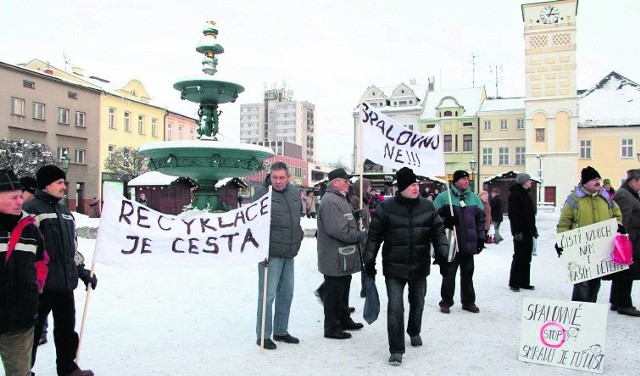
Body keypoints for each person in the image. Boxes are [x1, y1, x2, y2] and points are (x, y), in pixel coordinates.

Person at [364, 167, 449, 366]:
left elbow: (438, 232)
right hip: (394, 266)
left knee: (418, 302)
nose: (416, 187)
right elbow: (374, 237)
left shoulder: (427, 207)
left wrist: (443, 255)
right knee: (395, 308)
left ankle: (414, 331)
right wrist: (369, 261)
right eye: (412, 185)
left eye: (417, 184)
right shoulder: (386, 208)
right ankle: (396, 349)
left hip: (419, 264)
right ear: (401, 187)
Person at [24, 165, 96, 376]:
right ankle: (23, 370)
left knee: (66, 330)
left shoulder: (66, 213)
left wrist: (81, 271)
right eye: (59, 183)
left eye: (64, 182)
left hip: (64, 284)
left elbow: (72, 249)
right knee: (32, 332)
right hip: (40, 286)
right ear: (46, 184)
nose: (64, 187)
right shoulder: (32, 211)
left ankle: (68, 368)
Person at [0, 169, 48, 376]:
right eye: (13, 197)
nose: (20, 201)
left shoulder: (29, 228)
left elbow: (42, 261)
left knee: (20, 372)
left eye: (20, 196)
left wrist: (34, 288)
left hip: (20, 319)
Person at [252, 162, 304, 350]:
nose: (278, 181)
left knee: (287, 293)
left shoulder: (294, 192)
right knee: (267, 295)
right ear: (269, 177)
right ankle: (263, 335)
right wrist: (260, 250)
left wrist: (297, 238)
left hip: (289, 252)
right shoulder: (262, 193)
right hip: (270, 254)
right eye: (275, 177)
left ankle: (281, 330)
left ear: (288, 177)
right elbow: (254, 223)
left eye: (282, 178)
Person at [556, 166, 623, 303]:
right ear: (585, 182)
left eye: (598, 178)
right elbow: (564, 224)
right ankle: (579, 312)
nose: (597, 181)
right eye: (594, 179)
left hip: (600, 249)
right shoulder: (574, 200)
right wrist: (562, 241)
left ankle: (591, 312)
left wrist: (619, 226)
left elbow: (617, 214)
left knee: (595, 283)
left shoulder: (605, 197)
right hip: (580, 249)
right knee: (582, 283)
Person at [316, 168, 367, 340]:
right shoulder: (331, 201)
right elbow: (337, 229)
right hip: (334, 257)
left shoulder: (340, 198)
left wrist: (354, 215)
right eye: (345, 181)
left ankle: (344, 319)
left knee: (343, 290)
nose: (348, 183)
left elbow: (343, 220)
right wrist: (359, 236)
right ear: (335, 182)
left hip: (342, 257)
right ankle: (331, 327)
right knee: (334, 293)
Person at [433, 170, 486, 314]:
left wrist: (481, 237)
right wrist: (446, 221)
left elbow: (481, 220)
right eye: (463, 179)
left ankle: (468, 302)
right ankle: (446, 302)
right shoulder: (444, 198)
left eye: (467, 179)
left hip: (469, 243)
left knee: (468, 274)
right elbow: (432, 217)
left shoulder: (474, 198)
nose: (466, 181)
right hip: (452, 244)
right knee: (449, 275)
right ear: (455, 181)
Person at [606, 169, 640, 316]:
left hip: (631, 238)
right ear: (633, 181)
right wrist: (625, 238)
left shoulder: (628, 193)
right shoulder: (625, 196)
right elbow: (622, 220)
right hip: (628, 239)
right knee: (627, 272)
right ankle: (624, 304)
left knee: (623, 271)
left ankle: (616, 301)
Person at [507, 173, 538, 292]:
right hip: (520, 232)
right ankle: (514, 282)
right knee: (519, 256)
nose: (531, 182)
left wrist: (534, 230)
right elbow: (513, 215)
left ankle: (524, 281)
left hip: (528, 231)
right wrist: (516, 232)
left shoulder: (526, 195)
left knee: (527, 258)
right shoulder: (515, 195)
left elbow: (530, 215)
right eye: (529, 180)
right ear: (524, 181)